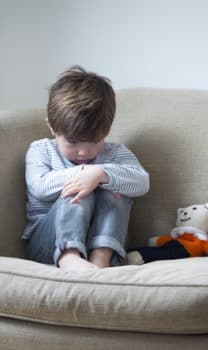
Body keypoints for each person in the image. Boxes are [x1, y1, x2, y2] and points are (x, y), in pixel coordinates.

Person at [22, 66, 149, 271]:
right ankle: (68, 256)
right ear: (52, 128)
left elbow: (142, 182)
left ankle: (101, 259)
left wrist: (101, 174)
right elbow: (40, 187)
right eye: (73, 142)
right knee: (79, 189)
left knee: (115, 189)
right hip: (47, 246)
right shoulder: (41, 150)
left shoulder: (115, 154)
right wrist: (85, 174)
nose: (83, 152)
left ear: (106, 131)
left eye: (94, 141)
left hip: (105, 245)